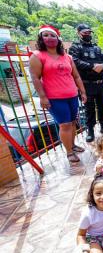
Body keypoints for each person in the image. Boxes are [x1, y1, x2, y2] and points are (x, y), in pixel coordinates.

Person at [30, 25, 87, 163]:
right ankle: (69, 152)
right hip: (55, 98)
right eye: (46, 35)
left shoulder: (67, 57)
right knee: (65, 125)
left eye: (52, 35)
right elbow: (35, 78)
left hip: (72, 95)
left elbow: (76, 76)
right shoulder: (38, 56)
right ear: (41, 38)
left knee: (73, 122)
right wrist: (43, 97)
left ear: (58, 38)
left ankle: (72, 145)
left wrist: (82, 92)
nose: (49, 38)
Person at [69, 24, 103, 142]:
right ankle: (90, 130)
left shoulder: (97, 48)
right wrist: (92, 66)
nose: (87, 35)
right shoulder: (75, 47)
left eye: (89, 33)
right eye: (85, 33)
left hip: (100, 83)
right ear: (79, 33)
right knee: (89, 109)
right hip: (87, 84)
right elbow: (74, 61)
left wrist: (102, 65)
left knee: (102, 106)